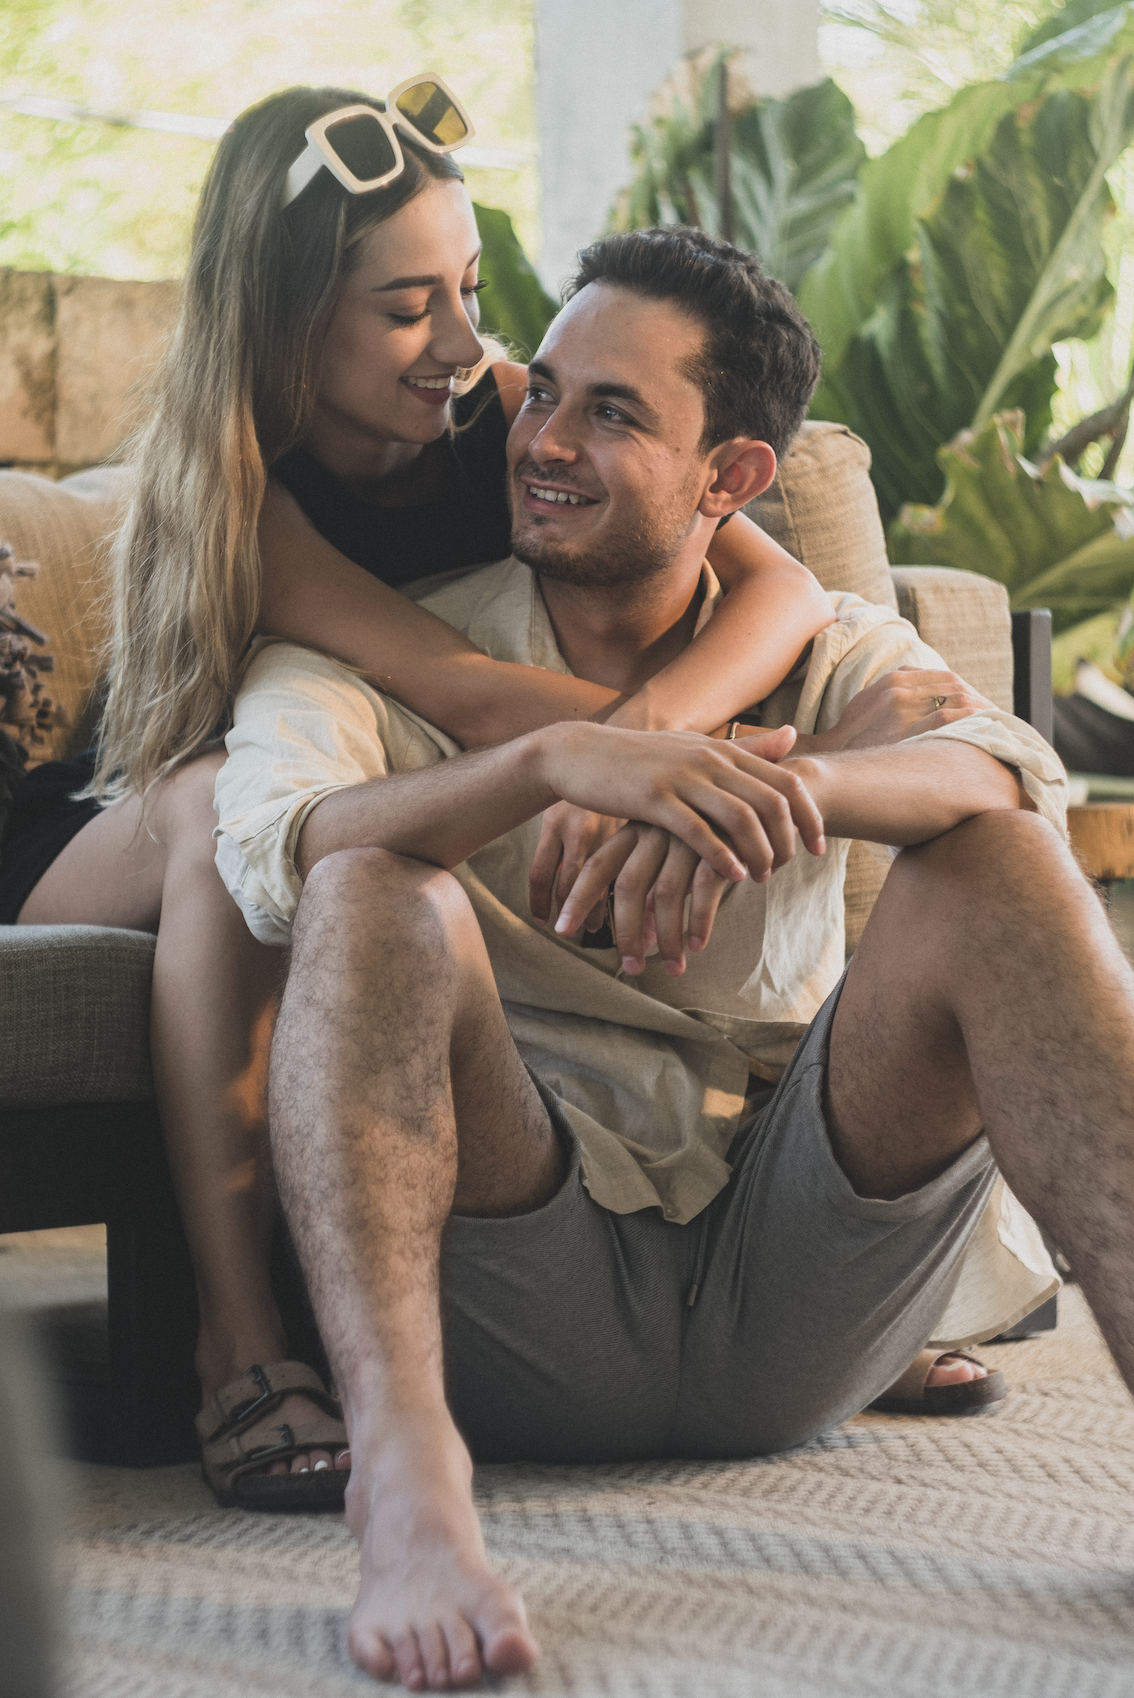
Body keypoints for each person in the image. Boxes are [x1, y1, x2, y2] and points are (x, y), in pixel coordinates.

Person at [210, 228, 1084, 1689]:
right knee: (373, 880)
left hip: (789, 1277)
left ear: (730, 478)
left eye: (610, 413)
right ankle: (407, 1492)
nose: (540, 439)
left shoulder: (814, 654)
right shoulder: (385, 654)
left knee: (996, 860)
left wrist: (739, 784)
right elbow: (271, 848)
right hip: (513, 1262)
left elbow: (1001, 770)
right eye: (539, 391)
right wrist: (563, 760)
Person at [0, 83, 837, 1504]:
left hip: (374, 788)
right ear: (282, 319)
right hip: (114, 825)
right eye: (405, 308)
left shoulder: (507, 406)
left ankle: (843, 1279)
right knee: (220, 813)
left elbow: (784, 585)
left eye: (465, 287)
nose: (462, 342)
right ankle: (238, 1344)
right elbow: (464, 692)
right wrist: (642, 762)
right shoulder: (243, 493)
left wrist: (673, 744)